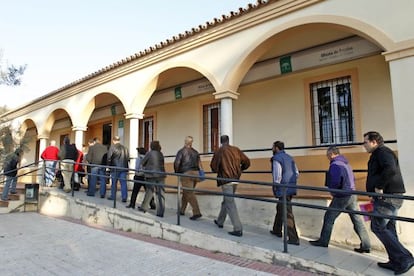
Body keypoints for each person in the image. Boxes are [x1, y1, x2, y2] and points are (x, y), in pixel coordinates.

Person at [363, 131, 414, 275]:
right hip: (389, 196)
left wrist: (379, 187)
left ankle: (404, 258)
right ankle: (395, 260)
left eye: (365, 142)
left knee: (378, 226)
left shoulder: (382, 152)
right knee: (389, 228)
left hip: (388, 197)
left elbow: (390, 169)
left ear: (374, 142)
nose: (364, 145)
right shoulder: (379, 153)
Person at [309, 146, 371, 252]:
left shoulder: (335, 165)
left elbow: (335, 182)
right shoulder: (346, 163)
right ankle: (366, 245)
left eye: (327, 155)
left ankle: (323, 241)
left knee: (329, 217)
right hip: (352, 193)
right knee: (357, 219)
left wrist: (332, 190)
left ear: (332, 154)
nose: (327, 157)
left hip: (342, 195)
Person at [210, 135, 250, 237]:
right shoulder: (236, 150)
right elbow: (247, 162)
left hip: (225, 180)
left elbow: (213, 167)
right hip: (235, 179)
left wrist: (219, 170)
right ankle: (220, 221)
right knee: (227, 200)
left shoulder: (219, 151)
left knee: (230, 203)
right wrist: (240, 169)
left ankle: (238, 228)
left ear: (221, 141)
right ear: (228, 141)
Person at [269, 141, 300, 245]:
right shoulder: (290, 157)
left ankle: (293, 238)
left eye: (273, 147)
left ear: (276, 148)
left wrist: (276, 187)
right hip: (291, 187)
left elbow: (277, 176)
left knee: (287, 213)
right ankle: (277, 230)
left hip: (283, 188)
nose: (272, 149)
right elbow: (296, 173)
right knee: (280, 208)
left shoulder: (277, 159)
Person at [174, 136, 202, 220]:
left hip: (186, 173)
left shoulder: (181, 151)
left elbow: (177, 163)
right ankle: (182, 210)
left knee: (189, 193)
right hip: (195, 173)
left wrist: (177, 172)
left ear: (185, 142)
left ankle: (197, 212)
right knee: (186, 192)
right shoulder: (196, 152)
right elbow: (199, 163)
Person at [139, 140, 166, 217]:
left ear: (151, 146)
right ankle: (160, 212)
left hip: (151, 175)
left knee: (149, 191)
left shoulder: (149, 153)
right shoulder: (161, 154)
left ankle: (144, 207)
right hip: (161, 175)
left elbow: (142, 163)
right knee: (161, 193)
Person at [106, 136, 129, 202]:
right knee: (123, 183)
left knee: (114, 183)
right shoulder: (125, 148)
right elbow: (127, 158)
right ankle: (124, 197)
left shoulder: (112, 148)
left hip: (115, 168)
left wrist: (108, 167)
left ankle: (113, 196)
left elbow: (109, 158)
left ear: (113, 140)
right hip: (123, 168)